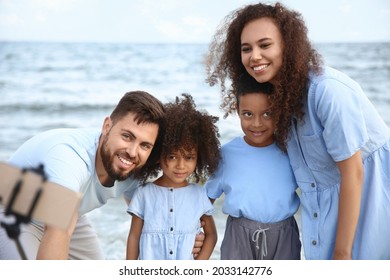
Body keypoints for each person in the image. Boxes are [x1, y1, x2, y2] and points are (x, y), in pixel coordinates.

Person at [205, 2, 390, 260]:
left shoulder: (327, 90)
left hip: (371, 207)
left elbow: (354, 173)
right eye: (246, 49)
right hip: (322, 221)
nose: (254, 56)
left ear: (287, 46)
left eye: (265, 44)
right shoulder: (280, 102)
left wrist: (342, 253)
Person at [0, 90, 166, 260]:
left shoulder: (134, 168)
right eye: (126, 136)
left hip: (70, 213)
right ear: (107, 126)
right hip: (13, 210)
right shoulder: (70, 158)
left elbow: (152, 222)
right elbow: (58, 229)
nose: (132, 152)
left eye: (145, 145)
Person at [204, 73, 301, 260]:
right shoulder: (226, 154)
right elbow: (206, 198)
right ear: (237, 110)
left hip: (285, 235)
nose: (257, 124)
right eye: (248, 114)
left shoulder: (292, 150)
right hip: (238, 236)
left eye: (267, 114)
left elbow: (314, 192)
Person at [126, 94, 220, 260]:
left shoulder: (198, 194)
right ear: (159, 155)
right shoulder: (144, 194)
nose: (181, 165)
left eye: (189, 157)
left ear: (199, 158)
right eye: (172, 157)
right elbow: (134, 237)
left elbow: (211, 235)